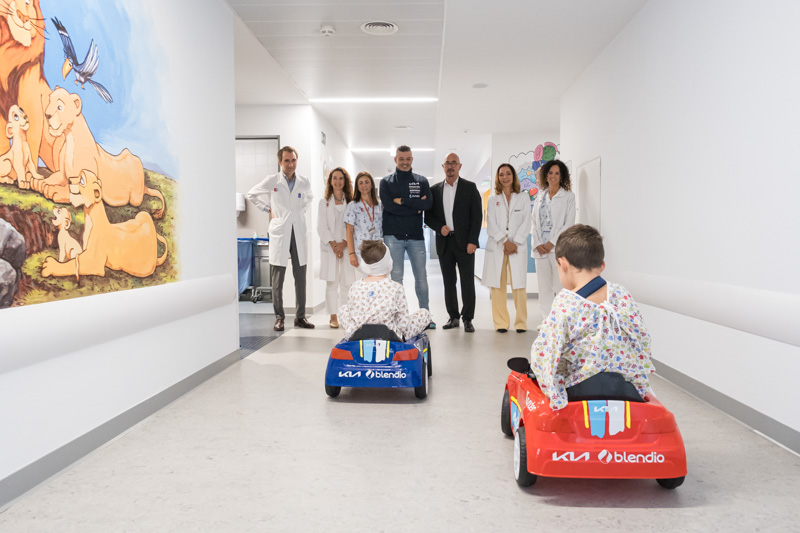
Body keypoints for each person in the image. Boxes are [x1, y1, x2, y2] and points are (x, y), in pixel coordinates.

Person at [530, 224, 655, 410]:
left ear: (562, 264)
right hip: (626, 390)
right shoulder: (622, 295)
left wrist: (553, 393)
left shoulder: (565, 302)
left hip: (582, 391)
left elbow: (547, 355)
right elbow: (643, 341)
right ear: (602, 265)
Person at [245, 146, 315, 331]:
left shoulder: (304, 181)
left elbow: (309, 197)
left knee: (301, 278)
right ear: (280, 162)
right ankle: (279, 317)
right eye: (286, 161)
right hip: (280, 231)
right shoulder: (272, 181)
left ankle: (300, 317)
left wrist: (302, 210)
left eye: (293, 160)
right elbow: (251, 194)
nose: (290, 164)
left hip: (298, 232)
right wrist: (268, 209)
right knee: (278, 279)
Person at [425, 153, 482, 332]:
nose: (450, 166)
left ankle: (468, 318)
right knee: (449, 282)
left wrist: (473, 240)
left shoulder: (470, 188)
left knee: (467, 282)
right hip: (445, 243)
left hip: (465, 243)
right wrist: (439, 226)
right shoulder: (434, 190)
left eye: (454, 163)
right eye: (447, 163)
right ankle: (453, 317)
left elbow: (477, 217)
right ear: (443, 167)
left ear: (459, 166)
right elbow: (429, 216)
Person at [379, 145, 434, 328]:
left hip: (416, 237)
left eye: (408, 159)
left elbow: (428, 205)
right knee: (396, 278)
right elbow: (389, 207)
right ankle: (398, 318)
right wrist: (415, 207)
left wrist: (403, 202)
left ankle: (425, 317)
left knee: (421, 277)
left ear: (412, 159)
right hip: (393, 237)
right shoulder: (386, 182)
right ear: (395, 160)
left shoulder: (421, 181)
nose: (404, 162)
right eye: (401, 159)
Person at [338, 240, 432, 341]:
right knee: (424, 313)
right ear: (388, 262)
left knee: (343, 309)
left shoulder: (355, 286)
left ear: (364, 264)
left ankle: (350, 332)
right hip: (390, 336)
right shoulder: (396, 287)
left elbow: (353, 313)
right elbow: (402, 323)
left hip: (356, 335)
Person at [482, 164, 531, 333]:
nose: (505, 177)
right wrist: (504, 241)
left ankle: (521, 323)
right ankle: (501, 323)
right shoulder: (493, 199)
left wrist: (514, 243)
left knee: (519, 287)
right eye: (501, 174)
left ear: (513, 176)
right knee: (498, 286)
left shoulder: (523, 198)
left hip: (517, 247)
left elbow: (527, 222)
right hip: (499, 247)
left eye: (508, 173)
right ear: (498, 178)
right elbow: (491, 225)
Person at [531, 159, 575, 326]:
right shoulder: (540, 197)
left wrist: (551, 243)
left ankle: (561, 321)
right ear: (545, 175)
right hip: (540, 249)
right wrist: (538, 244)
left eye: (557, 173)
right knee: (544, 288)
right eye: (550, 173)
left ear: (561, 175)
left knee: (560, 286)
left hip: (558, 248)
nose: (553, 176)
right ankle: (547, 320)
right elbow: (534, 222)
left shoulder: (569, 197)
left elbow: (568, 223)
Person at [317, 167, 356, 329]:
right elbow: (321, 226)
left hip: (347, 246)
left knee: (347, 282)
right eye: (335, 178)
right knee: (332, 283)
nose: (338, 181)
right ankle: (333, 316)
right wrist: (334, 245)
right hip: (331, 247)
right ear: (330, 181)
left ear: (345, 181)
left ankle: (345, 315)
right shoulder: (324, 202)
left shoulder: (352, 202)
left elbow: (355, 225)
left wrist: (344, 244)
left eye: (341, 178)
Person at [344, 171, 383, 271]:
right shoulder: (352, 206)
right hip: (362, 252)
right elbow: (349, 231)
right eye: (360, 183)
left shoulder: (379, 205)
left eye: (367, 182)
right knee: (365, 283)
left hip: (379, 250)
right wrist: (352, 254)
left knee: (378, 283)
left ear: (371, 184)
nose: (364, 185)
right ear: (357, 186)